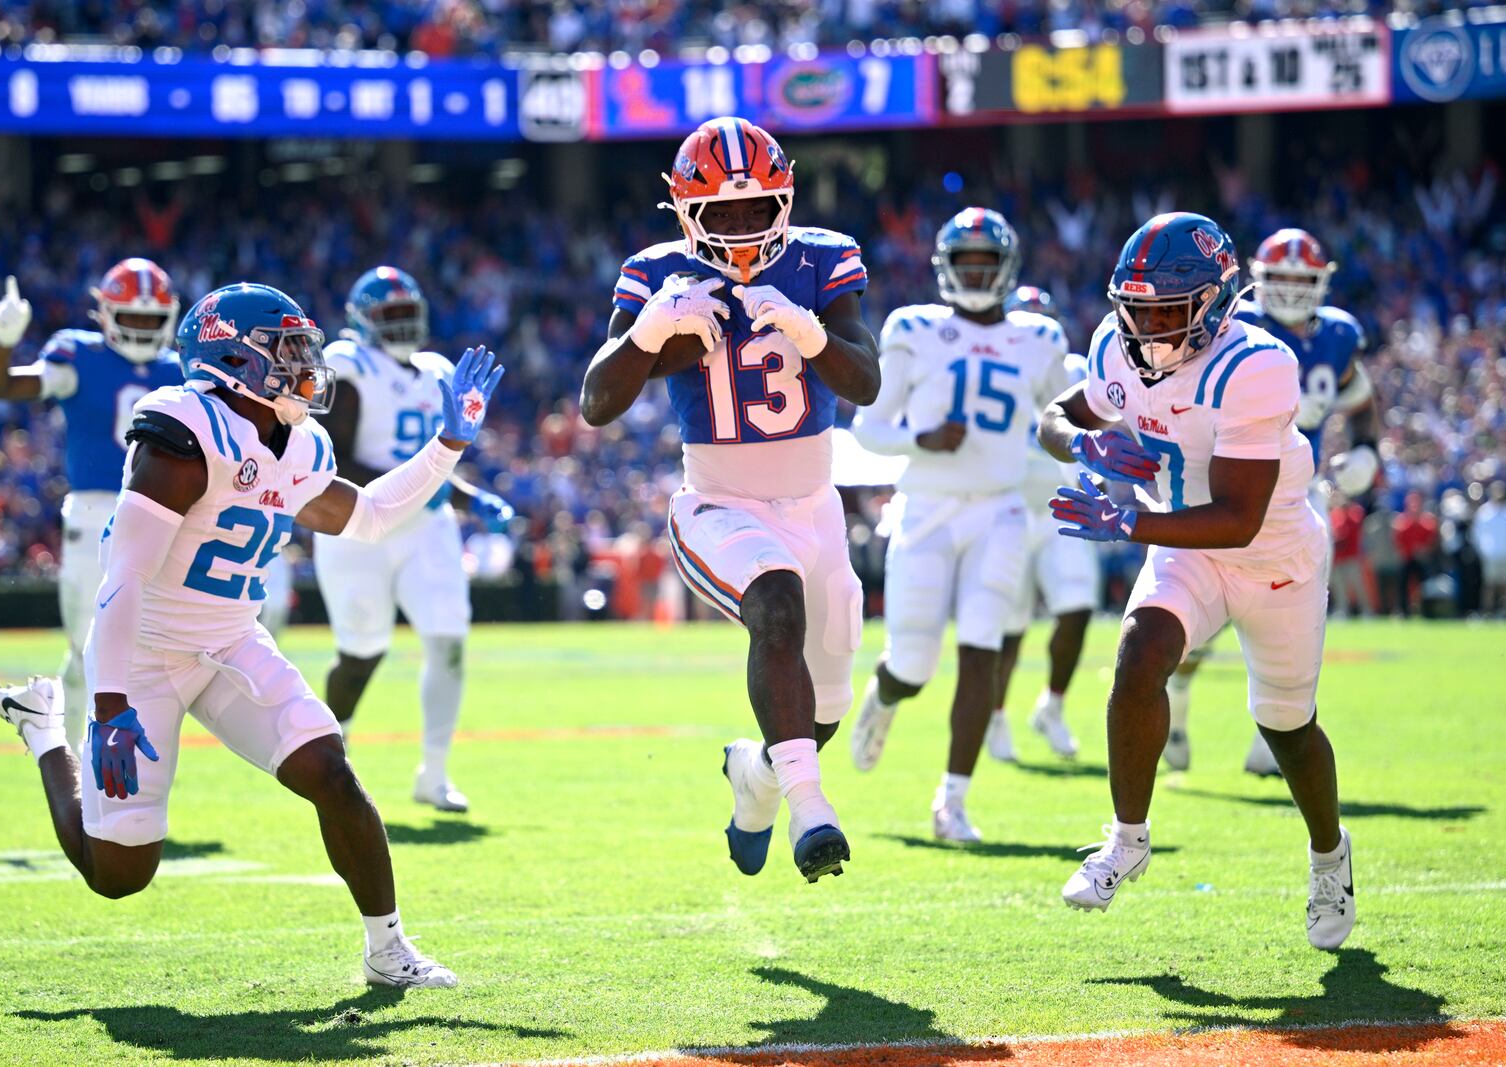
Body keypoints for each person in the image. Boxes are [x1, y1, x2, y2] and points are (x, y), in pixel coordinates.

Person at [0, 283, 504, 987]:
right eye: (288, 349)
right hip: (144, 650)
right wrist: (107, 704)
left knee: (330, 766)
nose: (305, 363)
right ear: (234, 355)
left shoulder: (298, 442)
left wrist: (449, 445)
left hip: (232, 640)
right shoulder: (184, 431)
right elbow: (124, 578)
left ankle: (388, 951)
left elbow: (371, 514)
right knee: (118, 875)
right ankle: (45, 730)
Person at [1039, 212, 1353, 950]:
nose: (1147, 326)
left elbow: (1239, 518)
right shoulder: (1115, 350)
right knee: (1138, 656)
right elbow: (1057, 414)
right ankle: (1126, 838)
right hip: (1185, 546)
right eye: (1136, 307)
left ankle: (1329, 857)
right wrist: (1082, 443)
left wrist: (1125, 525)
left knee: (1286, 725)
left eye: (1167, 309)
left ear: (1215, 302)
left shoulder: (1257, 365)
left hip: (1272, 557)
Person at [579, 116, 879, 882]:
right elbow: (597, 401)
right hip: (718, 501)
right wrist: (647, 332)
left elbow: (866, 383)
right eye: (723, 213)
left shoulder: (825, 258)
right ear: (685, 211)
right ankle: (812, 811)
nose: (743, 228)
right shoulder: (655, 273)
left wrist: (812, 337)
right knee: (775, 606)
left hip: (816, 503)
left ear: (785, 199)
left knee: (828, 698)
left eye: (757, 208)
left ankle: (756, 777)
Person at [848, 215, 1071, 843]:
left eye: (984, 260)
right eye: (964, 260)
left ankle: (953, 801)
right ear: (947, 264)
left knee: (984, 646)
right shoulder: (915, 328)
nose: (974, 271)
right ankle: (886, 694)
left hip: (1001, 511)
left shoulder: (1039, 337)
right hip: (927, 508)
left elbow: (1069, 412)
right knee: (914, 664)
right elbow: (868, 426)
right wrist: (921, 438)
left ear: (1005, 266)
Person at [1163, 228, 1379, 776]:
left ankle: (1272, 741)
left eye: (1300, 279)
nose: (1288, 290)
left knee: (1295, 623)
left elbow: (1360, 401)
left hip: (1298, 494)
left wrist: (1368, 453)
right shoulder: (1232, 328)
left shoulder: (1337, 335)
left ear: (1321, 282)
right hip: (1227, 487)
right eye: (1278, 277)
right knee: (1202, 624)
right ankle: (1179, 710)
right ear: (1258, 279)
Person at [315, 266, 515, 813]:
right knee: (360, 654)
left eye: (408, 313)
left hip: (426, 529)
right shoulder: (346, 364)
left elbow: (437, 463)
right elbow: (333, 462)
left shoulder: (436, 371)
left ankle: (435, 773)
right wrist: (421, 490)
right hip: (357, 526)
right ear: (361, 320)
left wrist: (470, 498)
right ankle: (335, 754)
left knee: (448, 642)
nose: (402, 324)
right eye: (390, 315)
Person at [0, 263, 185, 747]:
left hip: (163, 516)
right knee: (85, 650)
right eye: (130, 318)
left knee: (155, 654)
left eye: (149, 319)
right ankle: (73, 764)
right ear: (107, 315)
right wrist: (4, 342)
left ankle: (138, 767)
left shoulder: (181, 370)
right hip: (95, 515)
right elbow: (0, 387)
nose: (140, 329)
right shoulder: (80, 355)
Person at [994, 285, 1099, 763]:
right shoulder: (990, 365)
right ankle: (995, 716)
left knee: (1077, 606)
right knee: (1008, 625)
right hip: (1009, 508)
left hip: (1062, 505)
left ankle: (1051, 706)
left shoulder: (1075, 370)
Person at [1473, 481, 1506, 616]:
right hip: (1490, 554)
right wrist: (1483, 550)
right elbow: (1477, 534)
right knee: (1489, 584)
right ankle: (1487, 612)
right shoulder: (1485, 511)